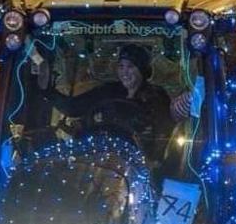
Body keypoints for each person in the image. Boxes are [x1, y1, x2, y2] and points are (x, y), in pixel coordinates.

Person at [40, 44, 175, 162]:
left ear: (143, 70)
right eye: (121, 66)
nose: (124, 72)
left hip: (137, 161)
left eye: (131, 66)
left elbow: (163, 133)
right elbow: (74, 107)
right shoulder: (108, 90)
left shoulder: (156, 96)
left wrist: (155, 160)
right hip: (99, 159)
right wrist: (48, 92)